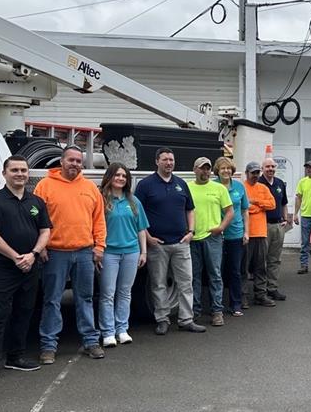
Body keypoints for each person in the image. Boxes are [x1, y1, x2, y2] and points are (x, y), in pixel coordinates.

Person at [0, 156, 51, 386]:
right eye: (15, 170)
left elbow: (45, 231)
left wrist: (33, 254)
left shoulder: (36, 201)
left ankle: (15, 356)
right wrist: (16, 257)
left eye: (24, 170)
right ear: (4, 173)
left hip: (31, 264)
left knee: (24, 311)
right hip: (4, 266)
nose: (20, 174)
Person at [35, 145, 107, 363]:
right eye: (71, 160)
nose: (75, 164)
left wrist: (99, 246)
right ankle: (48, 346)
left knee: (85, 298)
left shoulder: (90, 188)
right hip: (55, 253)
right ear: (62, 161)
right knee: (52, 300)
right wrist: (42, 247)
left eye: (78, 161)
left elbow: (99, 220)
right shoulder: (44, 186)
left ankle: (90, 341)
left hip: (85, 252)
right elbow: (36, 221)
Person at [135, 147, 206, 335]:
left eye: (171, 160)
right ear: (157, 161)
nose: (169, 163)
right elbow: (137, 213)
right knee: (158, 284)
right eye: (165, 159)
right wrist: (148, 237)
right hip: (157, 245)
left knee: (185, 283)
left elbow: (190, 209)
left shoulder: (181, 184)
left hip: (181, 243)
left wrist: (191, 232)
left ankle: (186, 319)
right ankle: (162, 319)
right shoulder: (145, 185)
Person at [98, 163, 149, 348]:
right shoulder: (101, 200)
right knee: (107, 294)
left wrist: (143, 251)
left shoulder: (134, 201)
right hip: (109, 253)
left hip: (131, 252)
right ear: (109, 177)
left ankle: (122, 329)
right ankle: (108, 332)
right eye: (117, 175)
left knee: (125, 292)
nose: (120, 178)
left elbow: (141, 229)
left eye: (124, 176)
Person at [188, 157, 234, 326]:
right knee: (194, 277)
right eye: (202, 168)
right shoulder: (187, 187)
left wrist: (221, 227)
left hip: (213, 238)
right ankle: (195, 311)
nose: (205, 171)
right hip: (193, 238)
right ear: (195, 170)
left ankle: (217, 311)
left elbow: (230, 212)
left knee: (215, 275)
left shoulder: (219, 188)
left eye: (207, 169)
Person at [215, 157, 250, 317]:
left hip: (236, 233)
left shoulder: (239, 186)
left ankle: (236, 304)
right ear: (217, 170)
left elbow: (245, 211)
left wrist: (246, 232)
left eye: (228, 168)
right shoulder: (213, 186)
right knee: (217, 271)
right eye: (222, 168)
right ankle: (217, 305)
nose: (226, 171)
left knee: (235, 271)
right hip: (217, 235)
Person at [243, 161, 278, 307]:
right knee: (243, 267)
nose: (256, 175)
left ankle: (260, 295)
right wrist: (257, 207)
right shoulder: (242, 187)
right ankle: (242, 296)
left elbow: (272, 204)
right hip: (246, 234)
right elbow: (243, 207)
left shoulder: (263, 187)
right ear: (247, 173)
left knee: (260, 267)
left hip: (261, 233)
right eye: (253, 173)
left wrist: (256, 202)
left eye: (257, 172)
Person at [258, 158, 289, 301]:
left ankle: (272, 288)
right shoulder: (258, 183)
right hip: (263, 226)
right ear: (262, 168)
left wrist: (285, 219)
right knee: (261, 259)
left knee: (275, 259)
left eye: (272, 166)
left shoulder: (279, 183)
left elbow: (283, 203)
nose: (270, 169)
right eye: (267, 166)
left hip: (278, 226)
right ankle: (261, 289)